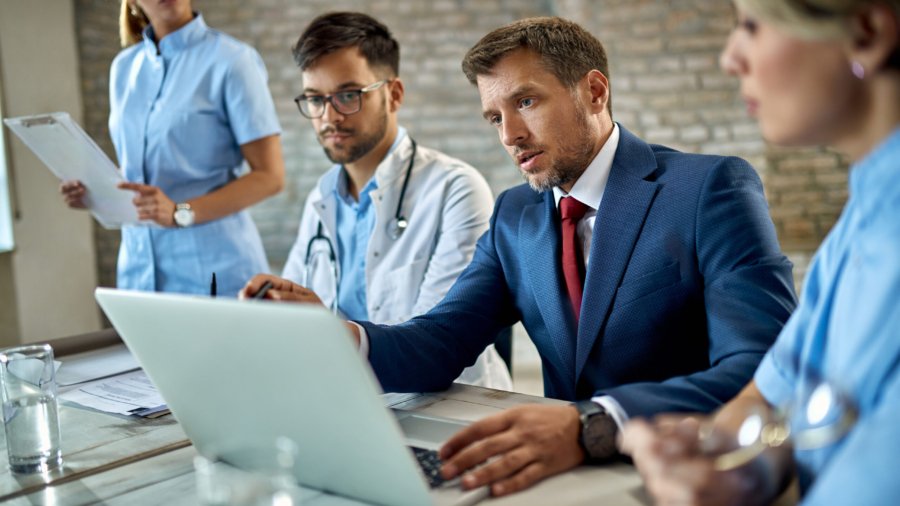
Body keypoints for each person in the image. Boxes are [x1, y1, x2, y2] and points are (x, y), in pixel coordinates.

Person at [243, 16, 796, 496]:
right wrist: (343, 337)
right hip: (562, 482)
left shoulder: (708, 189)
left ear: (595, 92)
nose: (509, 134)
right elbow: (443, 339)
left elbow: (762, 367)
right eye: (493, 116)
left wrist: (592, 425)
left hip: (684, 474)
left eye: (525, 101)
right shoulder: (516, 216)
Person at [620, 1, 900, 505]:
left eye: (751, 25)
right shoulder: (861, 219)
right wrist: (737, 464)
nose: (730, 59)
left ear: (867, 34)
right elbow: (771, 394)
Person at [279, 12, 511, 389]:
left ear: (395, 94)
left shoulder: (456, 189)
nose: (329, 116)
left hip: (443, 406)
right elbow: (291, 317)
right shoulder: (321, 198)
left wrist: (327, 332)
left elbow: (432, 346)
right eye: (315, 100)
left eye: (348, 95)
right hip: (343, 394)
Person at [60, 0, 284, 296]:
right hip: (137, 270)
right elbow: (138, 174)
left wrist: (179, 212)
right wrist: (97, 190)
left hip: (216, 271)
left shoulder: (233, 61)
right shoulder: (124, 69)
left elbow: (270, 177)